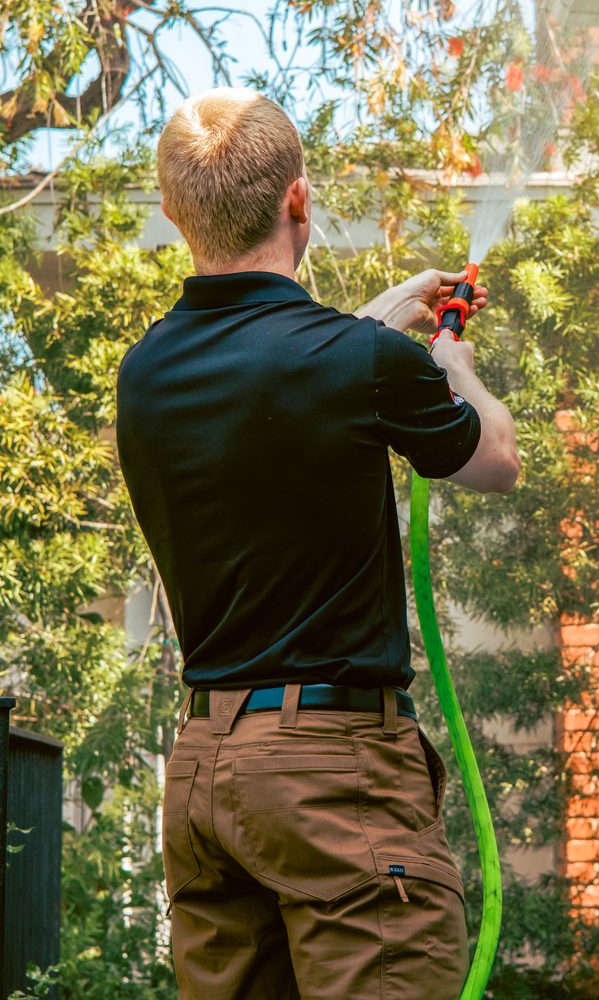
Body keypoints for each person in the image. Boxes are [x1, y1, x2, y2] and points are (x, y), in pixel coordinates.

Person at [115, 87, 520, 1000]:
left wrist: (392, 313)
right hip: (333, 778)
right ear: (298, 200)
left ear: (177, 214)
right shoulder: (362, 364)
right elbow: (494, 459)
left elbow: (285, 375)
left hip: (206, 777)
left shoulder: (144, 376)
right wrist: (451, 366)